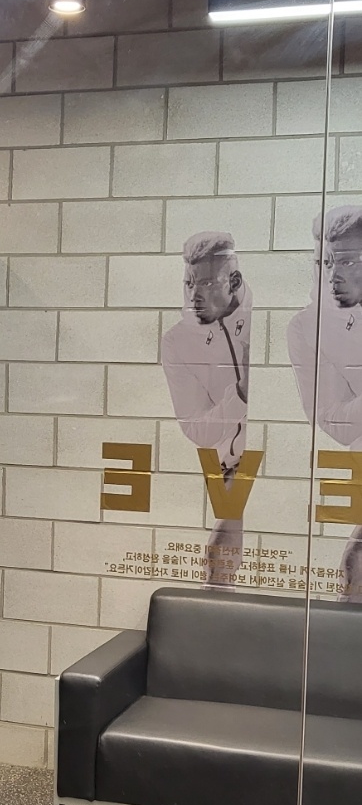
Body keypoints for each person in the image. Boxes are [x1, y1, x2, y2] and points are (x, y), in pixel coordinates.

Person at [161, 231, 252, 586]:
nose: (193, 295)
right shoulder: (177, 342)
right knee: (218, 561)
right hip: (233, 464)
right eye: (189, 283)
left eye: (206, 283)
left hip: (290, 456)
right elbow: (196, 429)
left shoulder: (269, 316)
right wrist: (240, 394)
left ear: (234, 282)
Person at [288, 205, 362, 600]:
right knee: (354, 570)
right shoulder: (309, 328)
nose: (333, 275)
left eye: (347, 261)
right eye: (325, 262)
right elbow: (334, 420)